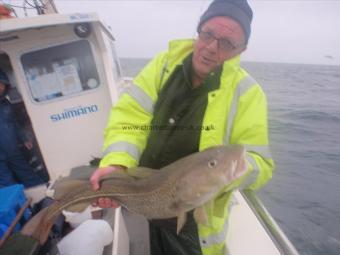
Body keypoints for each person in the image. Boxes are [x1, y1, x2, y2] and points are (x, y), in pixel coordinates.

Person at [90, 0, 275, 254]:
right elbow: (130, 117)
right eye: (208, 34)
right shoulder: (164, 65)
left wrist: (231, 173)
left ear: (241, 49)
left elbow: (261, 163)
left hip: (192, 220)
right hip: (140, 195)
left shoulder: (248, 94)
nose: (211, 48)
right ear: (198, 30)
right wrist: (118, 163)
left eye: (226, 43)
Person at [0, 69, 43, 188]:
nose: (0, 87)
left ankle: (45, 197)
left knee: (28, 175)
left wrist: (24, 138)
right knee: (6, 183)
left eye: (2, 84)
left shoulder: (6, 103)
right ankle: (20, 205)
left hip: (13, 148)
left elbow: (14, 123)